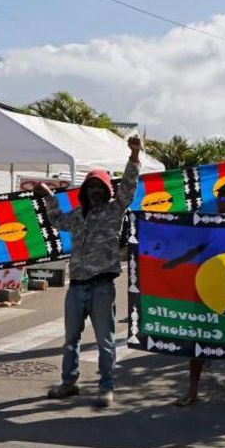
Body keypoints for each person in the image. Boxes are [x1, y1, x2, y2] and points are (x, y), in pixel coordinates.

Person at [35, 135, 142, 408]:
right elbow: (57, 221)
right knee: (71, 339)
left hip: (102, 287)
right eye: (91, 186)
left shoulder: (114, 211)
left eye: (100, 186)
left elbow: (128, 189)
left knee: (105, 341)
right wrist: (48, 197)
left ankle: (106, 387)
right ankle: (69, 383)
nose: (95, 190)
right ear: (84, 190)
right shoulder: (76, 216)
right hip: (76, 286)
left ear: (106, 191)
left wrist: (133, 155)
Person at [174, 183, 225, 409]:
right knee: (200, 341)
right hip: (207, 293)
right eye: (223, 198)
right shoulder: (205, 225)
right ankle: (193, 391)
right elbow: (190, 247)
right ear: (218, 202)